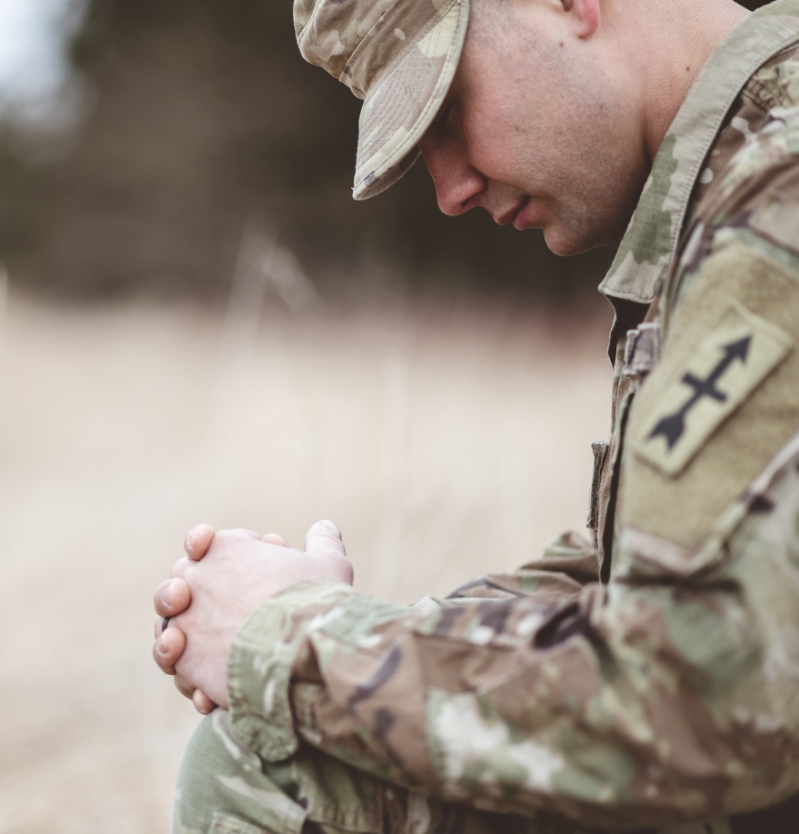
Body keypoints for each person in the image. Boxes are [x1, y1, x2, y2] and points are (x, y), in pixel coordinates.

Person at [151, 0, 799, 832]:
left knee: (276, 768)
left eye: (451, 108)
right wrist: (373, 633)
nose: (452, 189)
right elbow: (639, 575)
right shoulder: (734, 191)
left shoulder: (774, 214)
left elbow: (708, 693)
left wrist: (301, 642)